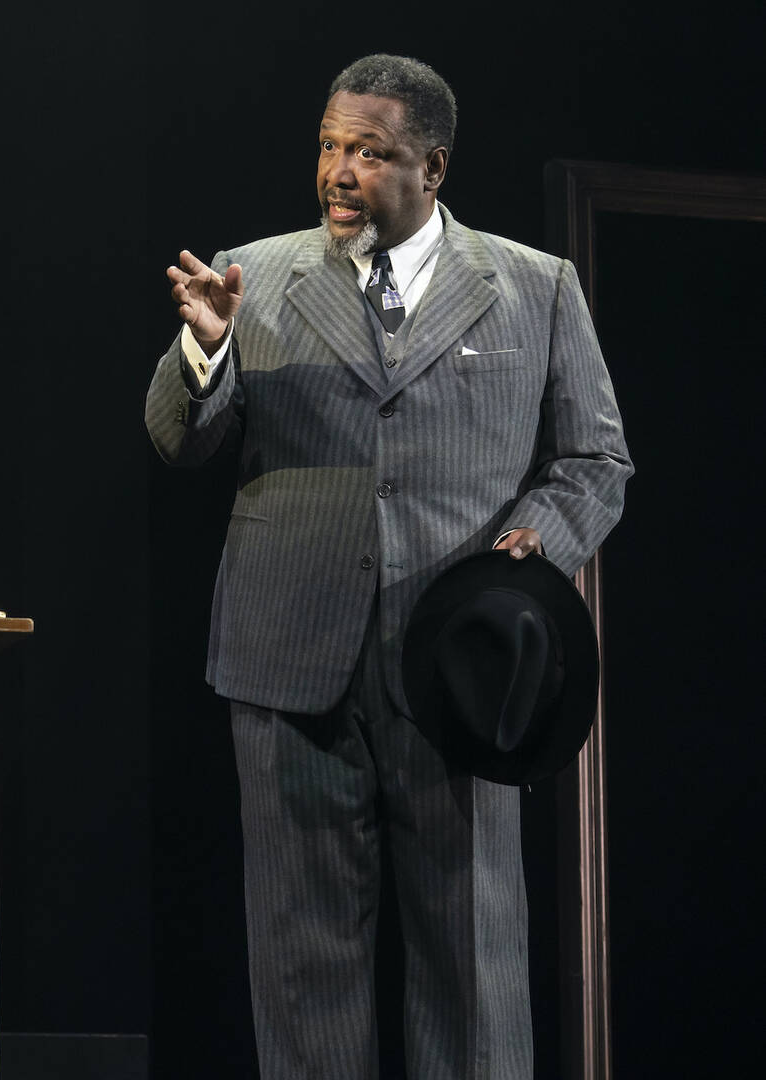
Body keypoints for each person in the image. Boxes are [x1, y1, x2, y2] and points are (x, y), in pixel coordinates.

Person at [144, 54, 632, 1079]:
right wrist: (205, 355)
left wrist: (531, 545)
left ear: (431, 167)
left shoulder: (533, 287)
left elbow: (593, 459)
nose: (337, 170)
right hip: (288, 659)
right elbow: (175, 441)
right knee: (302, 960)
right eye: (327, 145)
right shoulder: (249, 275)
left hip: (456, 667)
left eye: (368, 152)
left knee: (469, 955)